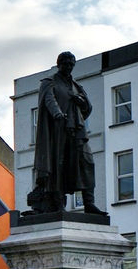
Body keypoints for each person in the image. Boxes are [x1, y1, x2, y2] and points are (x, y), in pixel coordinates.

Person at [28, 51, 106, 215]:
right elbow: (49, 100)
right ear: (59, 64)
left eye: (71, 64)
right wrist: (57, 113)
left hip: (77, 131)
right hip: (58, 132)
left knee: (87, 163)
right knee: (58, 166)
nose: (69, 67)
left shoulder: (77, 86)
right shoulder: (49, 82)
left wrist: (82, 102)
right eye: (65, 64)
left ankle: (89, 203)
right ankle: (58, 203)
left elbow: (88, 108)